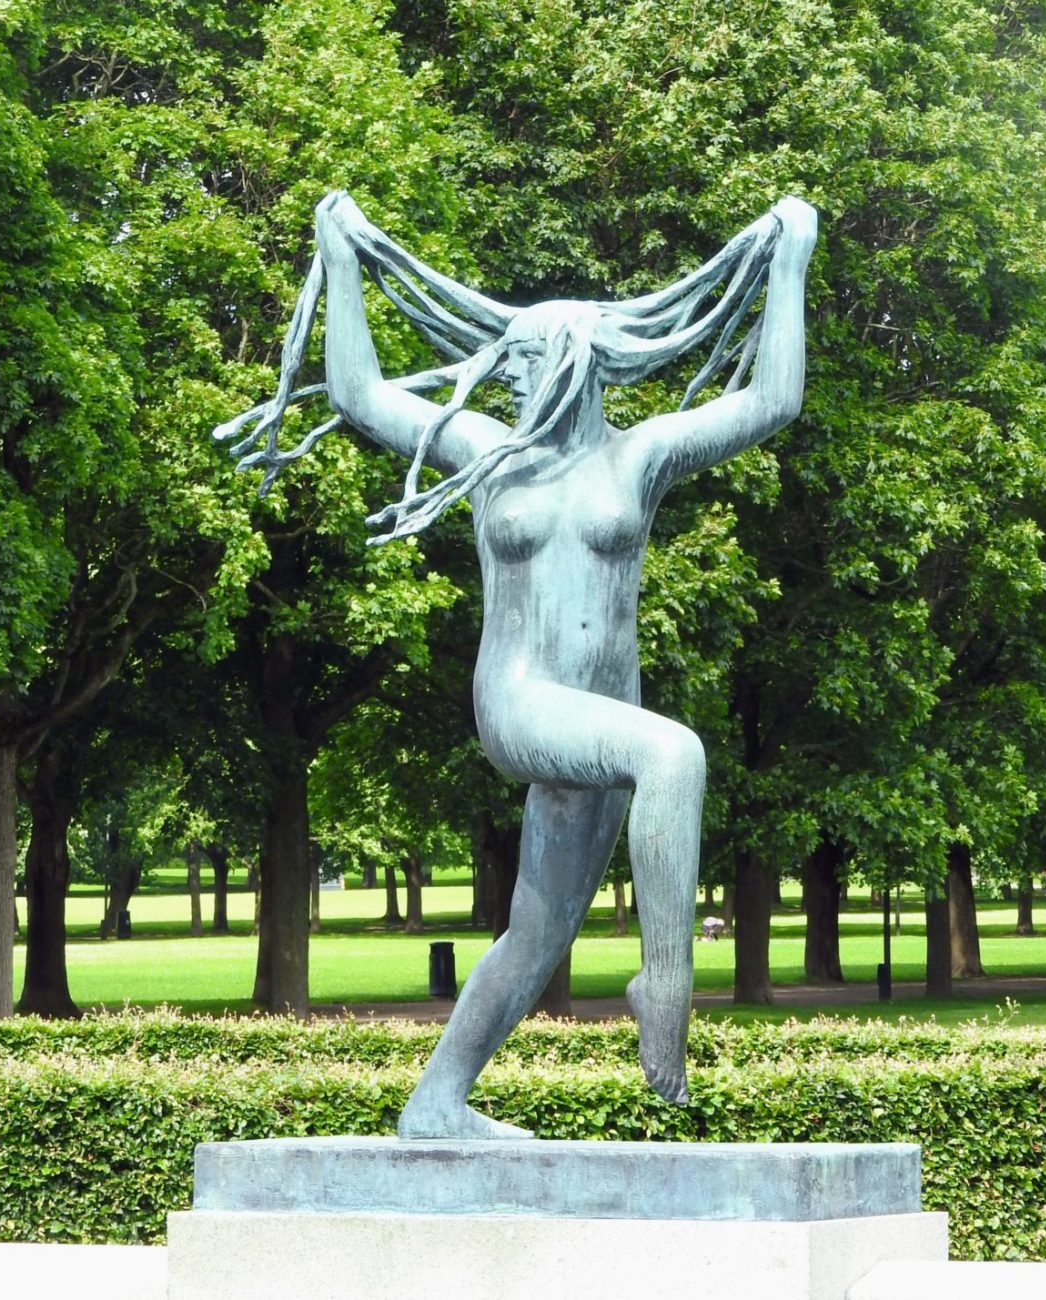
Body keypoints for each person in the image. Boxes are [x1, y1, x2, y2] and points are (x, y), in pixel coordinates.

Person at [216, 190, 816, 1138]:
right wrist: (339, 257)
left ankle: (437, 1102)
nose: (523, 373)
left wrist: (790, 257)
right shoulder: (490, 454)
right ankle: (664, 986)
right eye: (518, 358)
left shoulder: (639, 459)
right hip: (523, 702)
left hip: (600, 721)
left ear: (584, 366)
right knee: (677, 756)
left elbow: (773, 400)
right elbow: (361, 397)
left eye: (540, 357)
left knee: (535, 932)